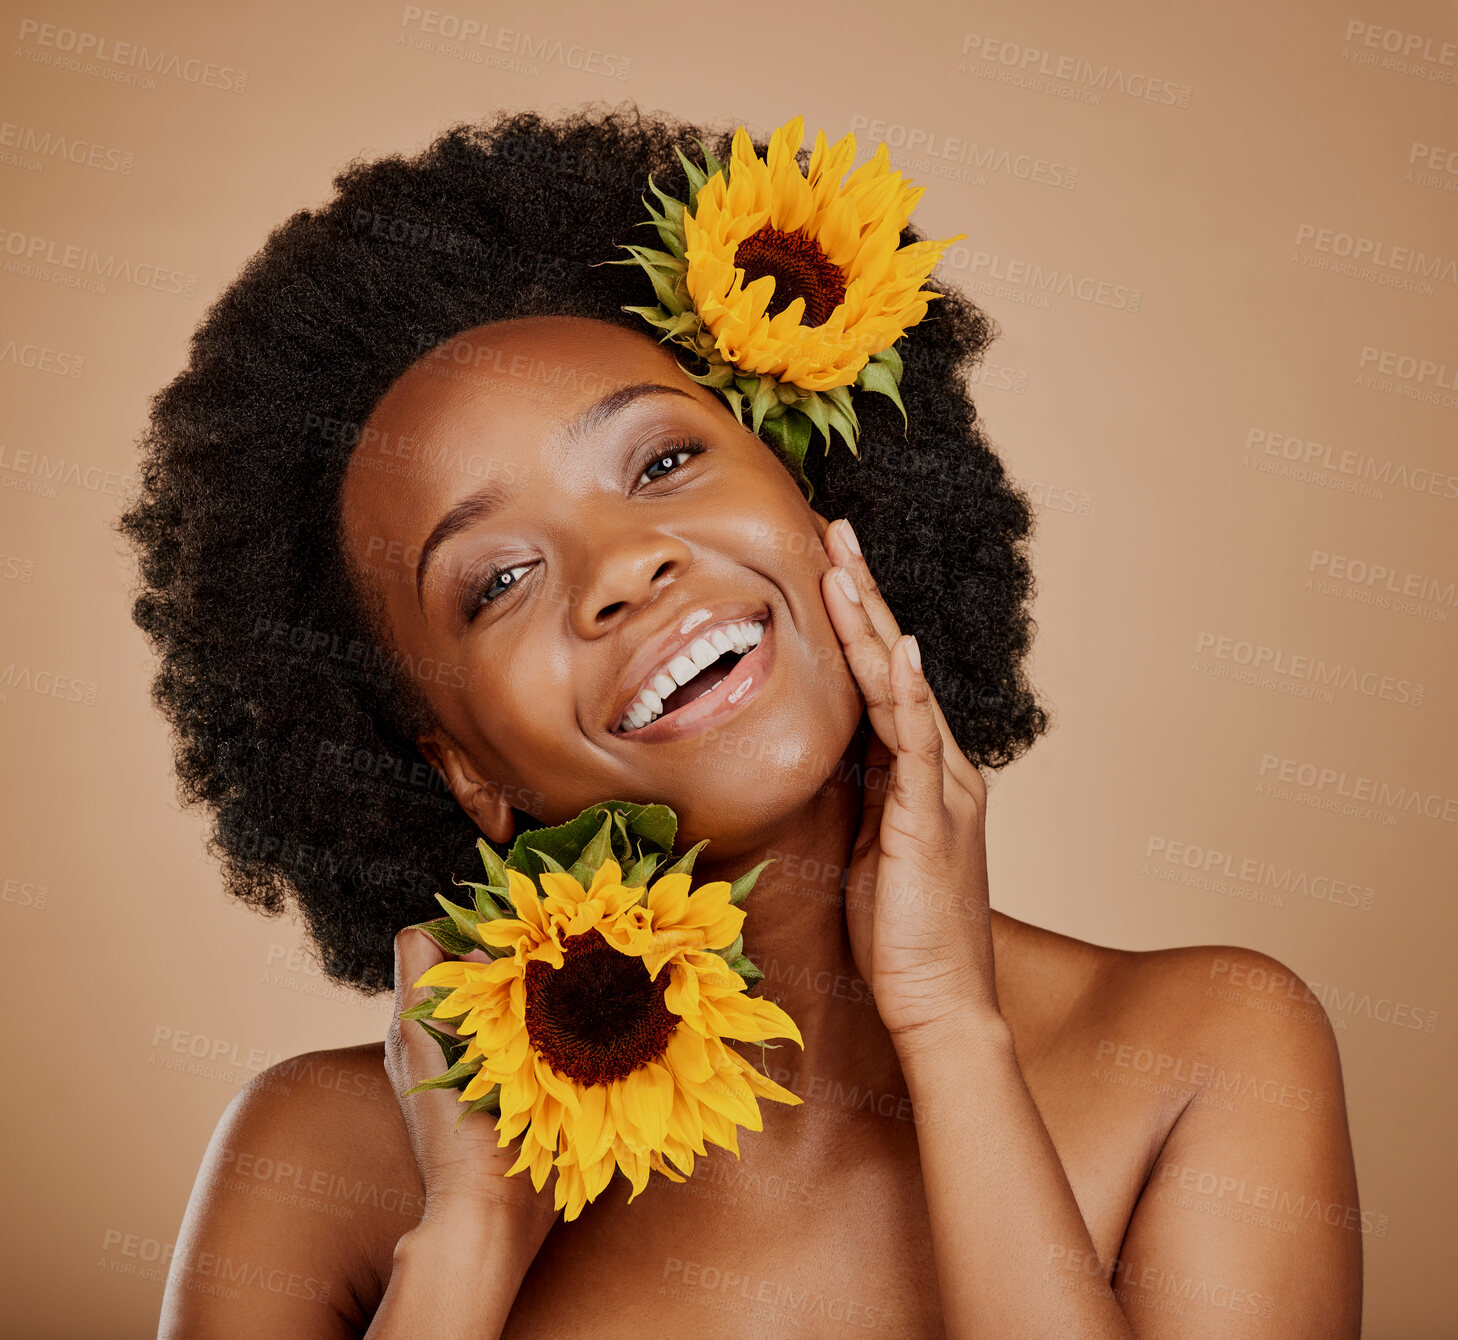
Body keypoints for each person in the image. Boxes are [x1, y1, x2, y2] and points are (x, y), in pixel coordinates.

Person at [123, 105, 1361, 1337]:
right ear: (462, 770)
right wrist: (466, 1239)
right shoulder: (317, 1164)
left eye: (661, 464)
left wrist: (947, 1023)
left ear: (822, 496)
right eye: (499, 580)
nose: (623, 566)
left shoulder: (1208, 1049)